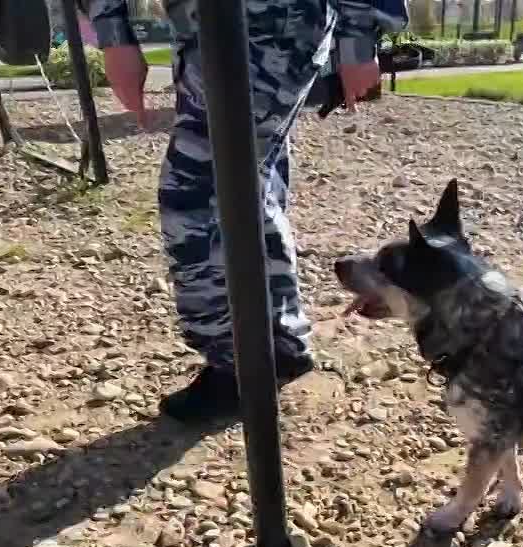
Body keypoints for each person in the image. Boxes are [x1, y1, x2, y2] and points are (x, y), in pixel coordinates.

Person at [84, 0, 408, 422]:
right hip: (209, 26)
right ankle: (278, 347)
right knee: (249, 187)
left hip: (272, 24)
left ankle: (238, 366)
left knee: (198, 198)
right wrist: (114, 36)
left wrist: (359, 37)